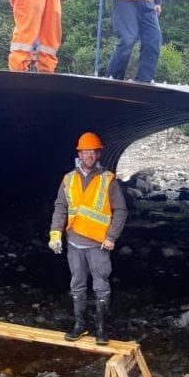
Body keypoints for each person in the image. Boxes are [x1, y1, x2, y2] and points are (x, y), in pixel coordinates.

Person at [48, 132, 128, 345]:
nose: (89, 156)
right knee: (77, 283)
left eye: (93, 152)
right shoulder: (69, 179)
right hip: (74, 242)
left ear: (98, 154)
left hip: (98, 243)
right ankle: (79, 325)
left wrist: (111, 236)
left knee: (101, 285)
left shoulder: (107, 179)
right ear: (79, 154)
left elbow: (121, 210)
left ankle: (101, 329)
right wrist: (55, 233)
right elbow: (60, 207)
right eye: (85, 152)